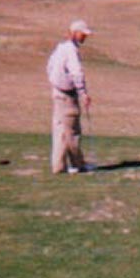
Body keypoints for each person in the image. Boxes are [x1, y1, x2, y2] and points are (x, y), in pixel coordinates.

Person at [46, 19, 94, 174]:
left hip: (57, 93)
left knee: (60, 130)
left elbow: (49, 67)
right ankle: (77, 164)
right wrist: (83, 93)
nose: (84, 37)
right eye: (82, 34)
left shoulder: (60, 48)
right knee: (72, 132)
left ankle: (58, 166)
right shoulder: (71, 51)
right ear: (75, 33)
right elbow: (77, 72)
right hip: (67, 96)